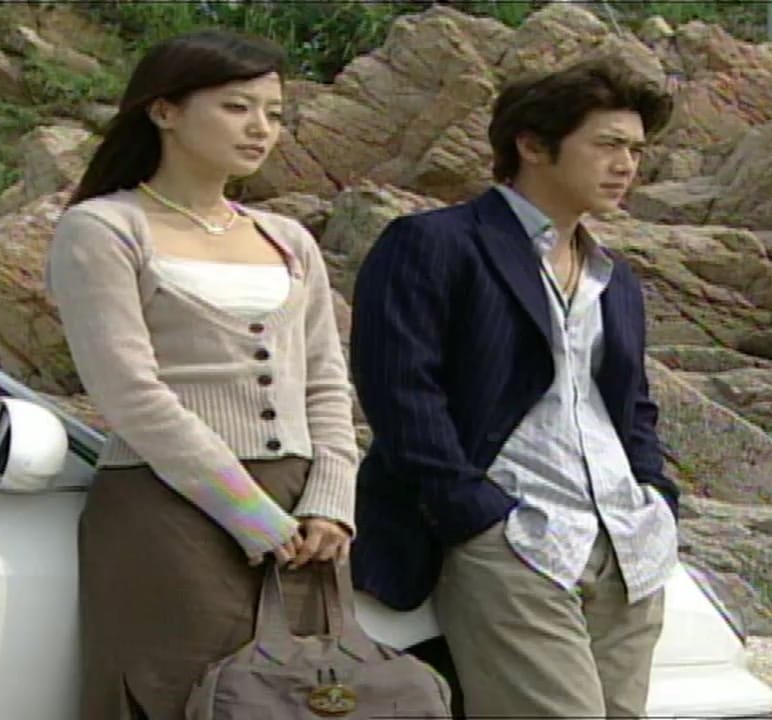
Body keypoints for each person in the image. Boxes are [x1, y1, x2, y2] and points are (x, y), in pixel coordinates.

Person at [348, 57, 680, 718]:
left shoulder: (614, 276)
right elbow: (401, 394)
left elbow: (632, 405)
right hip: (516, 538)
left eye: (636, 150)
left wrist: (656, 495)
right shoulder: (435, 243)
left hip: (626, 541)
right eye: (607, 145)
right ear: (531, 144)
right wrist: (477, 516)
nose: (625, 165)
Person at [46, 30, 357, 719]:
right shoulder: (103, 228)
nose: (261, 128)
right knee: (181, 699)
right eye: (237, 107)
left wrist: (332, 499)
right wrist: (248, 512)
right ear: (164, 110)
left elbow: (326, 381)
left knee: (301, 702)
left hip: (301, 515)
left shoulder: (288, 238)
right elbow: (130, 394)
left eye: (274, 113)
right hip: (168, 510)